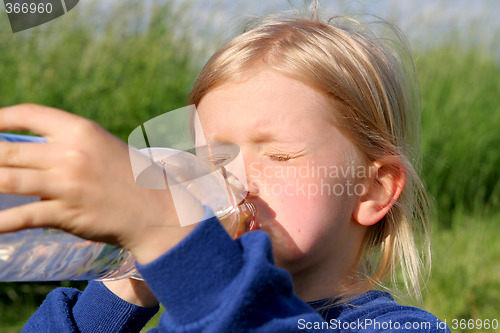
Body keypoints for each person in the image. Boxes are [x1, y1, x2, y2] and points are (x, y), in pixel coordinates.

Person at [0, 8, 450, 333]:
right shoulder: (189, 313)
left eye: (277, 156)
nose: (231, 180)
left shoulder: (397, 327)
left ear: (372, 190)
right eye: (213, 159)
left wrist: (173, 245)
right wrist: (130, 280)